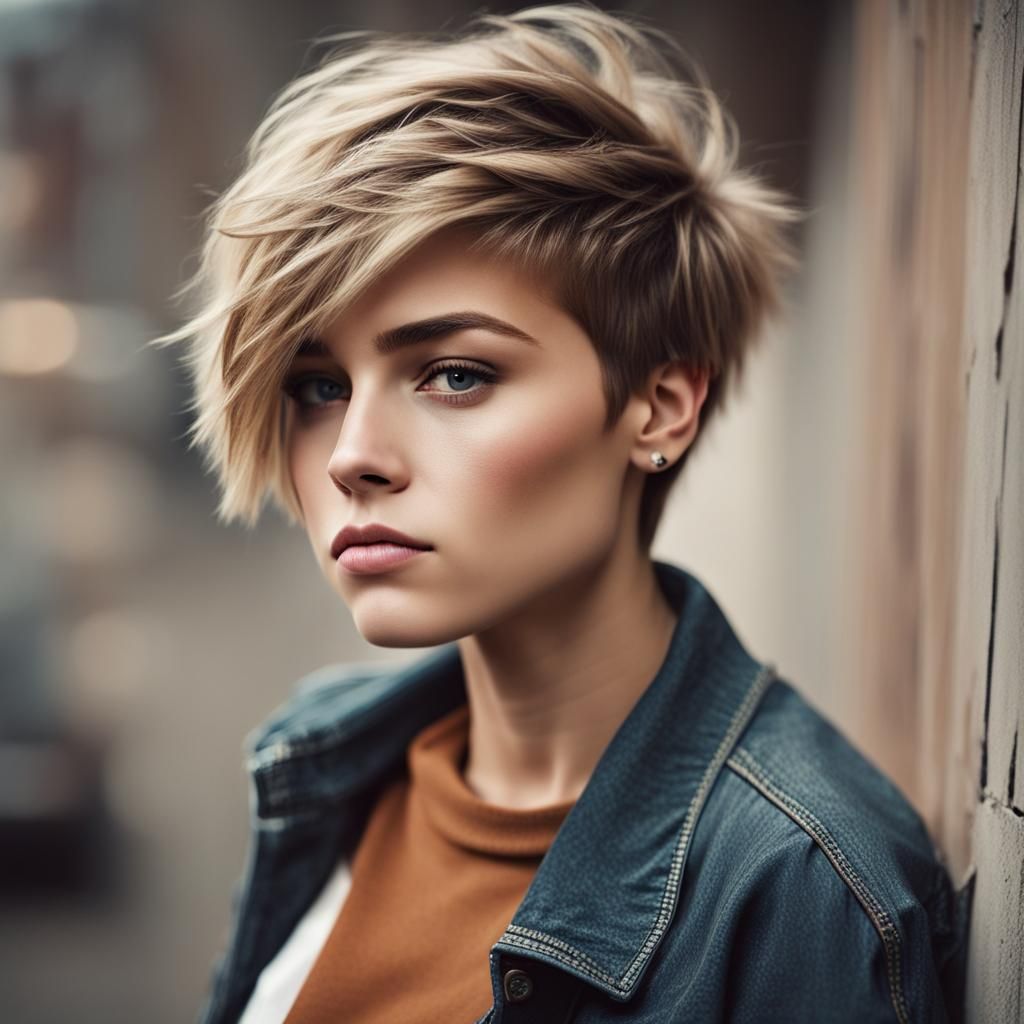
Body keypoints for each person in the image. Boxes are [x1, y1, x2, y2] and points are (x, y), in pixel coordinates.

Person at [156, 5, 968, 1022]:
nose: (355, 455)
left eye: (454, 374)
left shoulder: (798, 887)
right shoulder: (325, 765)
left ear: (656, 405)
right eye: (318, 386)